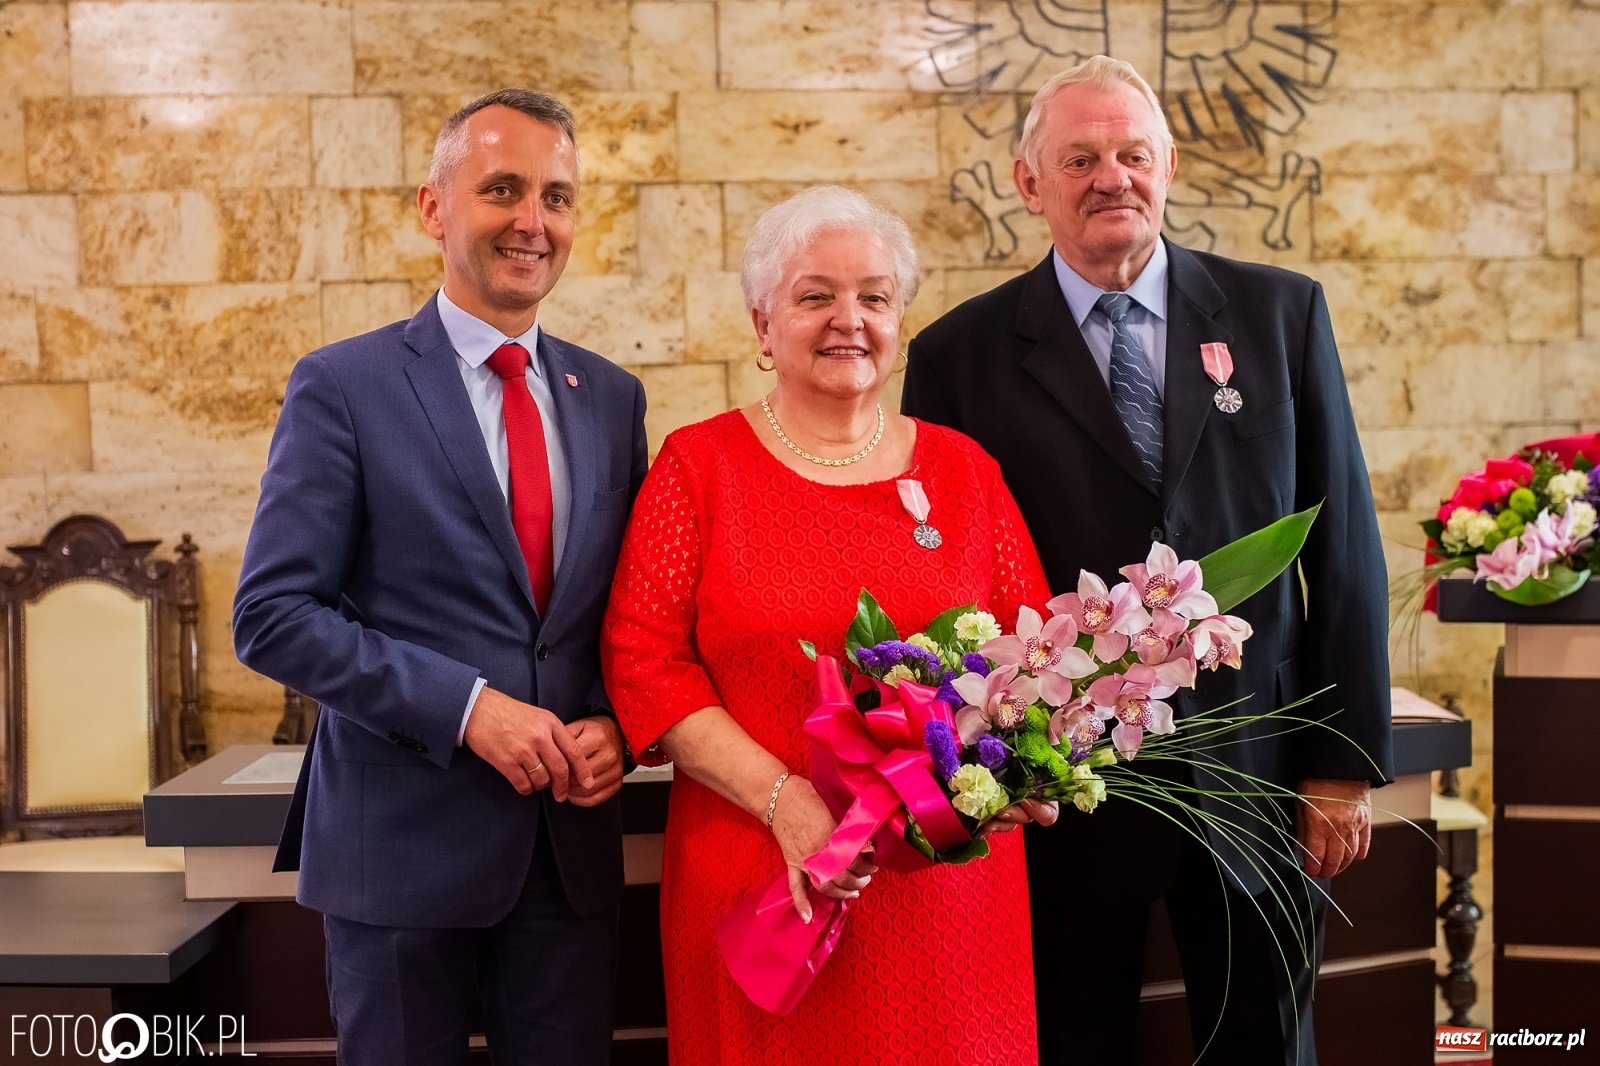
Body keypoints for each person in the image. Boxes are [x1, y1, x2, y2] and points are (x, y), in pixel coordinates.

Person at [903, 56, 1393, 1066]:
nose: (1109, 177)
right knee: (1068, 1040)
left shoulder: (1279, 314)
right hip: (1060, 792)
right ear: (1028, 182)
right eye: (1078, 157)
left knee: (1261, 1040)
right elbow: (945, 589)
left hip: (1257, 778)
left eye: (1130, 153)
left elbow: (1342, 547)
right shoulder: (960, 355)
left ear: (1168, 164)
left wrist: (1341, 768)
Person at [233, 89, 647, 1065]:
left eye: (555, 195)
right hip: (399, 857)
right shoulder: (344, 385)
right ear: (434, 207)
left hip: (566, 859)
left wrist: (620, 721)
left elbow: (629, 610)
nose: (531, 221)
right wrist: (469, 708)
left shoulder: (611, 398)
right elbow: (274, 615)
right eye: (501, 188)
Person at [600, 186, 1057, 1065]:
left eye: (874, 297)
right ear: (764, 323)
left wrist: (1032, 765)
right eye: (816, 296)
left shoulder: (965, 473)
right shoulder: (700, 468)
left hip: (948, 901)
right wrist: (786, 802)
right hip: (766, 873)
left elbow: (1031, 658)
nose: (849, 319)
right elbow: (643, 663)